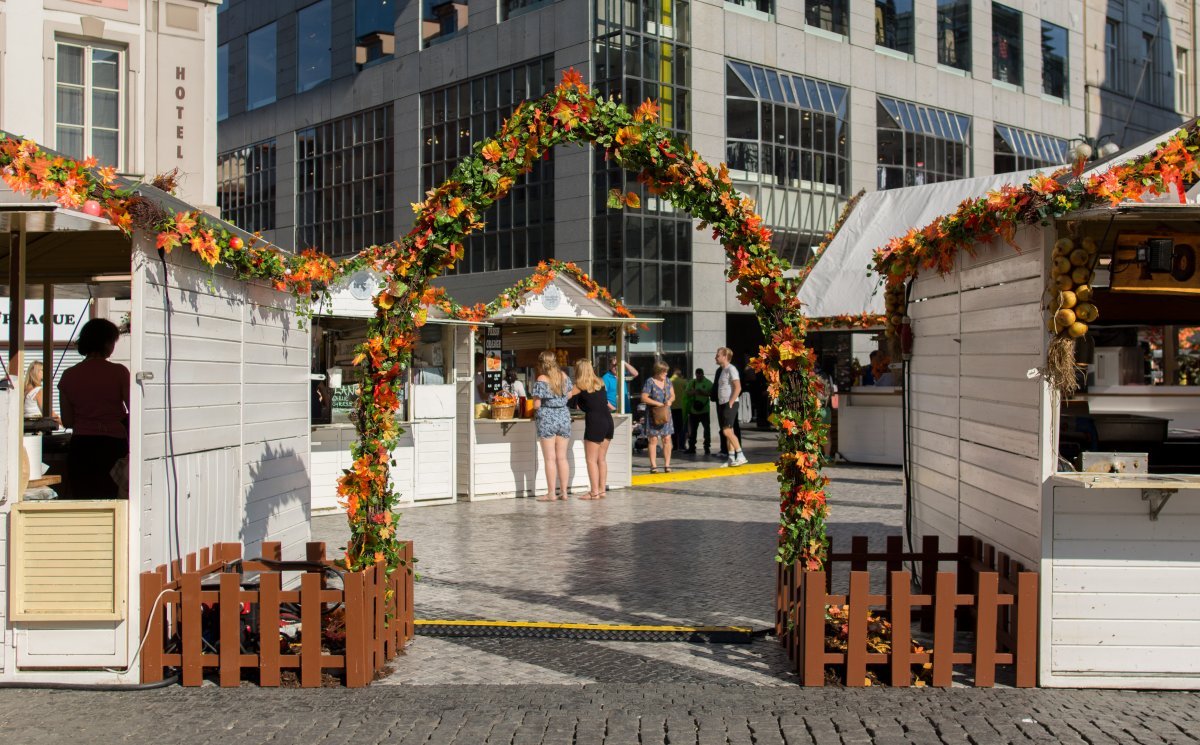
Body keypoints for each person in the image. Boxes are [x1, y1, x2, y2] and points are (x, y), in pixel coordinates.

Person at [58, 318, 130, 499]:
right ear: (106, 343)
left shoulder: (69, 375)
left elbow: (67, 421)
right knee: (113, 499)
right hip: (113, 446)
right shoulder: (119, 372)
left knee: (84, 499)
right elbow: (134, 409)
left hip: (82, 446)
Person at [531, 350, 572, 501]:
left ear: (541, 363)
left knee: (550, 458)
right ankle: (564, 492)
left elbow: (536, 405)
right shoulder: (564, 376)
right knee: (562, 458)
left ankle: (551, 493)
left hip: (547, 418)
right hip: (563, 417)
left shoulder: (542, 379)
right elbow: (569, 395)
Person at [569, 358, 613, 499]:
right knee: (601, 459)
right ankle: (601, 490)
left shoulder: (579, 385)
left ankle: (594, 492)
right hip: (608, 421)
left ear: (578, 370)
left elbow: (565, 399)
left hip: (595, 422)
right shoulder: (600, 383)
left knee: (591, 460)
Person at [714, 347, 747, 467]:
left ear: (725, 356)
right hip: (723, 403)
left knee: (726, 431)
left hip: (729, 403)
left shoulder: (731, 369)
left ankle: (741, 455)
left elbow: (738, 387)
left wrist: (731, 402)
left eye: (718, 355)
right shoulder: (723, 370)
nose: (716, 357)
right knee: (729, 431)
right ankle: (731, 458)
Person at [640, 361, 674, 473]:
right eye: (664, 372)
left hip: (665, 413)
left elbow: (673, 395)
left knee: (667, 438)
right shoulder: (650, 382)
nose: (666, 374)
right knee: (653, 439)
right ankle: (653, 466)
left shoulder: (668, 381)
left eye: (666, 371)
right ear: (658, 371)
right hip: (653, 414)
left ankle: (667, 465)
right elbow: (644, 398)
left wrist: (670, 401)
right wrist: (657, 403)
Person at [22, 360, 61, 425]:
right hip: (35, 426)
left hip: (25, 426)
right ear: (36, 372)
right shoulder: (38, 391)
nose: (45, 372)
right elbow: (48, 412)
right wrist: (63, 422)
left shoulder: (24, 389)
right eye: (42, 370)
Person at [685, 367, 712, 454]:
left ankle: (707, 447)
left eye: (700, 376)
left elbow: (712, 394)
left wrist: (702, 392)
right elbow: (687, 393)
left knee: (707, 430)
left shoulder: (708, 383)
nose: (698, 378)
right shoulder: (692, 382)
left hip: (704, 410)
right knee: (693, 430)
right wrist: (693, 392)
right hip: (693, 411)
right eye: (697, 376)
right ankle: (692, 447)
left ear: (703, 375)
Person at [669, 367, 688, 451]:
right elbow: (688, 392)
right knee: (682, 428)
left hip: (671, 407)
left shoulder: (668, 381)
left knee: (673, 427)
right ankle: (682, 446)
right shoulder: (683, 382)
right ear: (680, 375)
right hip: (681, 407)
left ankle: (675, 446)